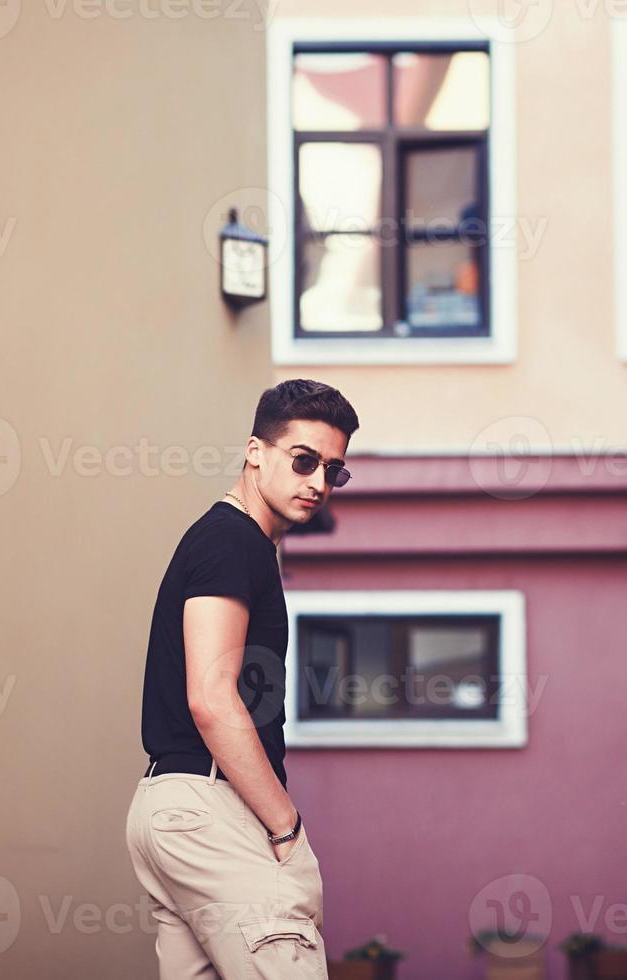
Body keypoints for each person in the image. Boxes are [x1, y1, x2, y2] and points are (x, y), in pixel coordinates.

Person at [125, 379, 360, 978]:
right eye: (303, 461)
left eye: (334, 471)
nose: (318, 483)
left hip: (173, 805)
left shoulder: (239, 544)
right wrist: (286, 828)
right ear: (255, 451)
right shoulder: (232, 542)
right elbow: (210, 697)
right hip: (209, 805)